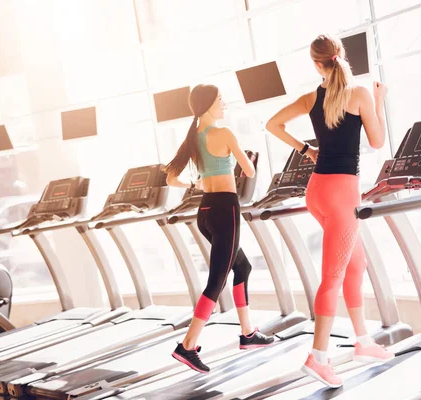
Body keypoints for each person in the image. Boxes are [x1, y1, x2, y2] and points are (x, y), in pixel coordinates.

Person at [266, 34, 394, 388]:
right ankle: (317, 357)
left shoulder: (311, 98)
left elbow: (272, 124)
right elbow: (377, 141)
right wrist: (379, 102)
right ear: (341, 57)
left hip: (317, 191)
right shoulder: (360, 94)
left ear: (316, 63)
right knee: (333, 276)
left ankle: (363, 341)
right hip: (342, 192)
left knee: (356, 263)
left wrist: (306, 149)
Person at [165, 84, 274, 373]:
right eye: (221, 100)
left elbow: (171, 178)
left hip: (206, 211)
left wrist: (197, 183)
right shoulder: (223, 134)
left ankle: (248, 334)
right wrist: (246, 160)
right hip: (226, 210)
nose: (224, 105)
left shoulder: (193, 137)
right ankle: (187, 346)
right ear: (210, 104)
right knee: (217, 281)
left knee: (243, 267)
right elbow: (248, 172)